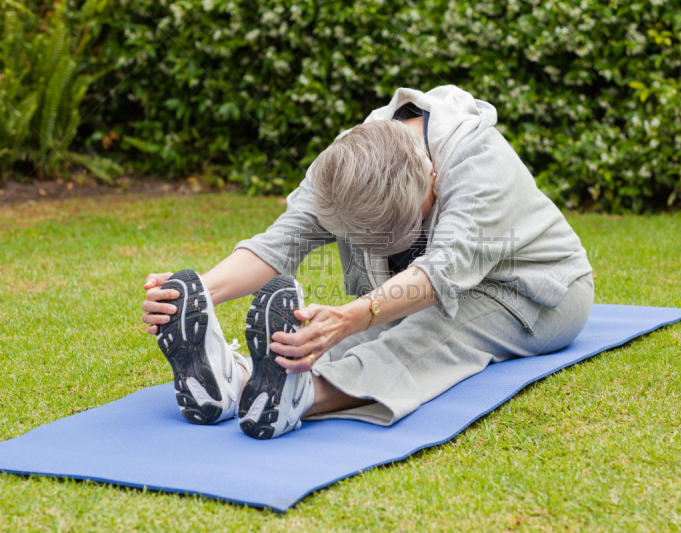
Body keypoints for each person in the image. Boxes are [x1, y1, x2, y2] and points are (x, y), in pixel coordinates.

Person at [141, 85, 594, 440]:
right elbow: (282, 242)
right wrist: (198, 291)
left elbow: (438, 274)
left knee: (430, 330)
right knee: (358, 325)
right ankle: (234, 381)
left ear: (432, 176)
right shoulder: (347, 160)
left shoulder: (480, 168)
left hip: (536, 289)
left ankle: (301, 399)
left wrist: (352, 316)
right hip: (424, 287)